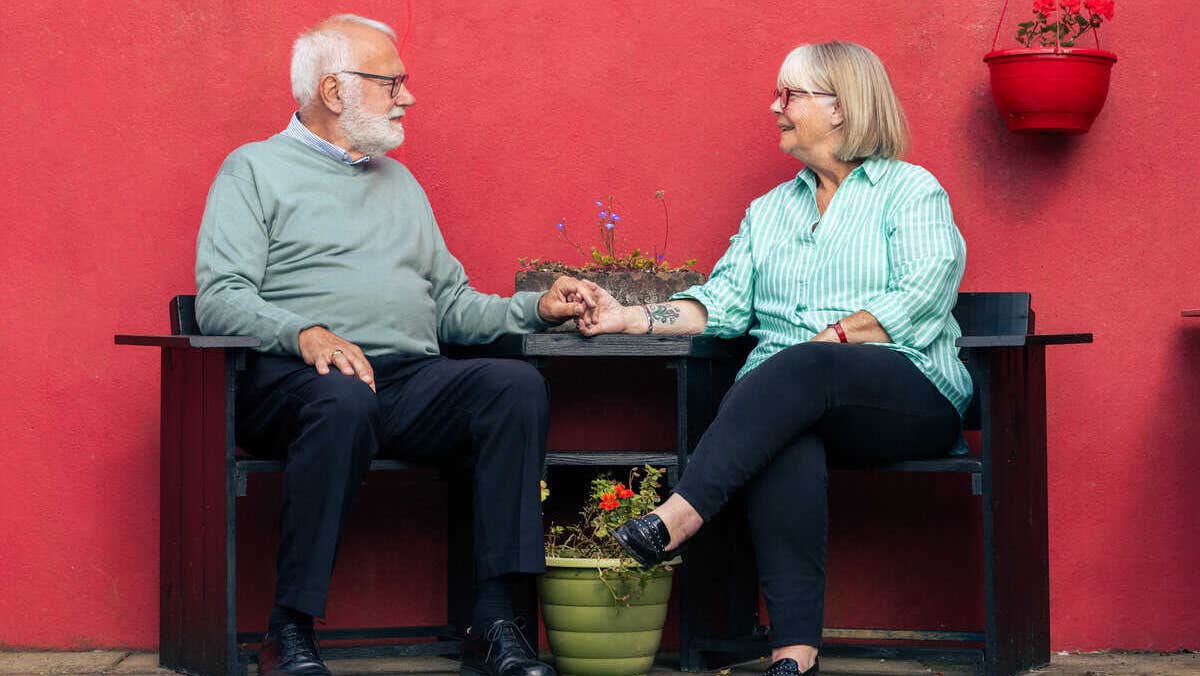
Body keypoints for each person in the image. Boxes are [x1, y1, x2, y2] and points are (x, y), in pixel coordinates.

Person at [195, 14, 587, 676]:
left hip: (405, 382)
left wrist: (535, 308)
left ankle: (494, 621)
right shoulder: (253, 170)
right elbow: (219, 297)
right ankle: (287, 632)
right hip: (296, 383)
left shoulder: (400, 185)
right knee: (343, 400)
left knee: (513, 387)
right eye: (392, 83)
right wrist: (304, 332)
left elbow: (453, 306)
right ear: (334, 90)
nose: (407, 98)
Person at [576, 41, 971, 676]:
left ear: (840, 108)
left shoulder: (910, 190)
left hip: (906, 394)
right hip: (798, 403)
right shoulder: (770, 212)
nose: (775, 106)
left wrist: (829, 343)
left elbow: (924, 294)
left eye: (790, 95)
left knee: (794, 365)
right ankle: (795, 656)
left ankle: (676, 517)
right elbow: (722, 305)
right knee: (786, 437)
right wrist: (631, 317)